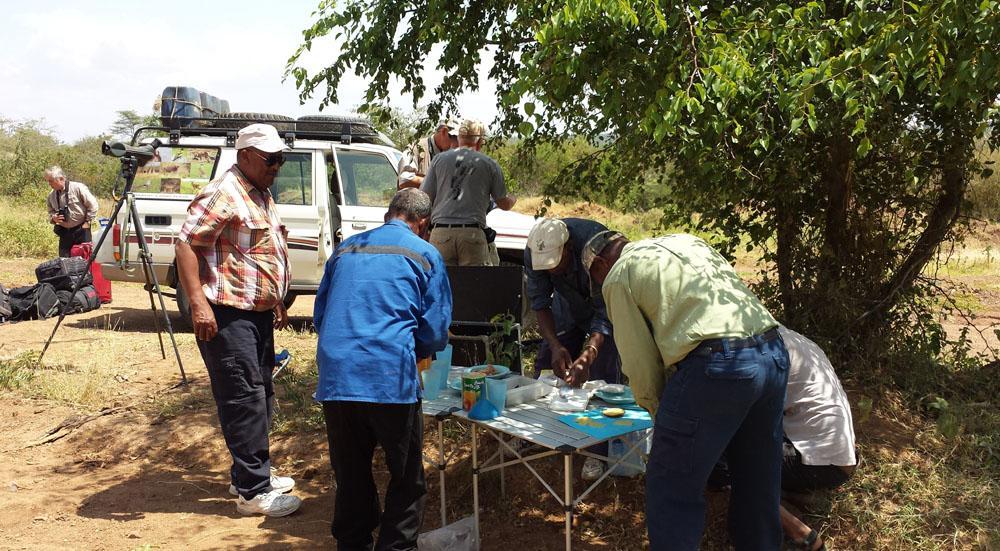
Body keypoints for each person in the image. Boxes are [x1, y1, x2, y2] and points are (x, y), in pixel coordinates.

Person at [585, 231, 789, 550]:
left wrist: (662, 417)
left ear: (599, 265)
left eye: (595, 279)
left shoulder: (617, 277)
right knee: (757, 483)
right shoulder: (686, 241)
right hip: (771, 353)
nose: (599, 287)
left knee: (671, 487)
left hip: (718, 366)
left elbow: (639, 364)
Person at [314, 188, 452, 551]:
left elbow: (321, 316)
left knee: (351, 472)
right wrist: (415, 350)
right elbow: (435, 330)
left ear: (388, 214)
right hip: (390, 376)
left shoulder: (345, 249)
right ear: (423, 224)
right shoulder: (425, 254)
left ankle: (352, 543)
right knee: (407, 477)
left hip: (337, 377)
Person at [175, 123, 300, 517]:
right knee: (243, 397)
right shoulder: (223, 191)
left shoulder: (258, 193)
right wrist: (198, 303)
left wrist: (276, 298)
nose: (276, 166)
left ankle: (249, 473)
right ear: (244, 155)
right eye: (270, 159)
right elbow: (186, 245)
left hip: (256, 314)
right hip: (227, 316)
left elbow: (260, 250)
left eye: (281, 159)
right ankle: (252, 491)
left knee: (261, 393)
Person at [524, 218, 622, 480]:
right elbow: (540, 302)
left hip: (604, 307)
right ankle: (540, 432)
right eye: (548, 268)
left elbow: (605, 312)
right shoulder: (534, 250)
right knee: (547, 362)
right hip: (568, 308)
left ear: (569, 248)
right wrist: (556, 346)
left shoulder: (597, 247)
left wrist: (588, 355)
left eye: (558, 264)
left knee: (602, 374)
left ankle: (597, 450)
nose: (553, 271)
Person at [420, 118, 516, 266]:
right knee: (475, 285)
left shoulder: (439, 160)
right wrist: (512, 199)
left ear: (459, 138)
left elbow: (424, 198)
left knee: (441, 285)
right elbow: (503, 203)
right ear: (480, 141)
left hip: (441, 234)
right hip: (472, 234)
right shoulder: (489, 164)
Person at [44, 166, 99, 257]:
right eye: (48, 181)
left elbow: (93, 205)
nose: (49, 184)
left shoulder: (78, 188)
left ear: (61, 178)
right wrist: (54, 218)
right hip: (64, 232)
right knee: (64, 260)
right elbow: (50, 212)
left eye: (51, 181)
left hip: (81, 229)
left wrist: (87, 222)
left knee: (84, 260)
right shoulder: (51, 195)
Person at [396, 118, 459, 189]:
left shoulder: (450, 155)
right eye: (454, 138)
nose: (457, 143)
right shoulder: (416, 148)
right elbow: (405, 180)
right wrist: (439, 184)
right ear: (444, 132)